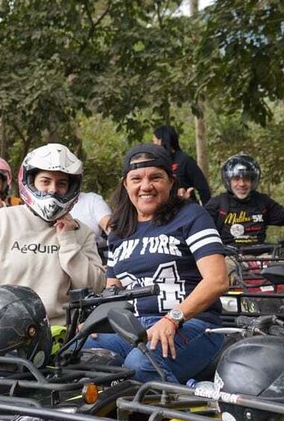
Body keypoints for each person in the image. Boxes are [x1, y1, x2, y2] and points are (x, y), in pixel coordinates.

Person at [83, 143, 228, 383]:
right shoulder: (119, 230)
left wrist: (172, 318)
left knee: (140, 365)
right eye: (136, 178)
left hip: (193, 324)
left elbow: (218, 280)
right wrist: (94, 322)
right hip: (135, 328)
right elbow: (113, 290)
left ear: (171, 182)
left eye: (155, 178)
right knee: (73, 353)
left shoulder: (192, 216)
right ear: (125, 184)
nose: (146, 186)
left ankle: (195, 406)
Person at [0, 143, 105, 326]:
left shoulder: (81, 232)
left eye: (61, 183)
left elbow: (95, 286)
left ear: (71, 188)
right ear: (30, 182)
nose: (53, 189)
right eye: (45, 181)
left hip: (60, 336)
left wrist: (68, 241)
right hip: (2, 331)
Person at [205, 153, 284, 248]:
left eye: (246, 179)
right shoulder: (217, 204)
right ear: (229, 181)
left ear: (253, 181)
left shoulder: (262, 202)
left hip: (261, 258)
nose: (242, 184)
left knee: (279, 269)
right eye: (236, 179)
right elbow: (198, 229)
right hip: (229, 258)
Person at [153, 125, 211, 205]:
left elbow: (203, 188)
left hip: (187, 210)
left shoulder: (185, 160)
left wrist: (208, 212)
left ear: (161, 141)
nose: (153, 145)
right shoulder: (158, 163)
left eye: (154, 141)